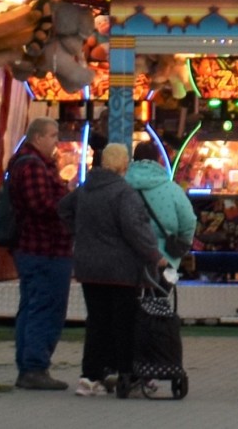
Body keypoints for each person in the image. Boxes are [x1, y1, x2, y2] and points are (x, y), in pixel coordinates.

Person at [59, 140, 164, 395]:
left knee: (96, 321)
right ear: (124, 164)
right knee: (124, 322)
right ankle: (126, 373)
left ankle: (90, 377)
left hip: (89, 267)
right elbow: (135, 229)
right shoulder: (123, 193)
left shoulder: (85, 189)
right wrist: (154, 254)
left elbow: (63, 209)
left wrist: (79, 233)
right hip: (121, 270)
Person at [7, 117, 73, 391]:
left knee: (32, 306)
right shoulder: (33, 167)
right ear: (37, 138)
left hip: (36, 249)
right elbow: (41, 206)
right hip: (45, 249)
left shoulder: (30, 164)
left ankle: (29, 365)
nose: (57, 141)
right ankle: (34, 367)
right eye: (52, 136)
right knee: (45, 308)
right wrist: (69, 204)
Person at [127, 143, 197, 275]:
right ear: (159, 160)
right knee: (160, 293)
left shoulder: (122, 188)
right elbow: (189, 220)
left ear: (133, 159)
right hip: (164, 260)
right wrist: (182, 243)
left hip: (127, 259)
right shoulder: (173, 190)